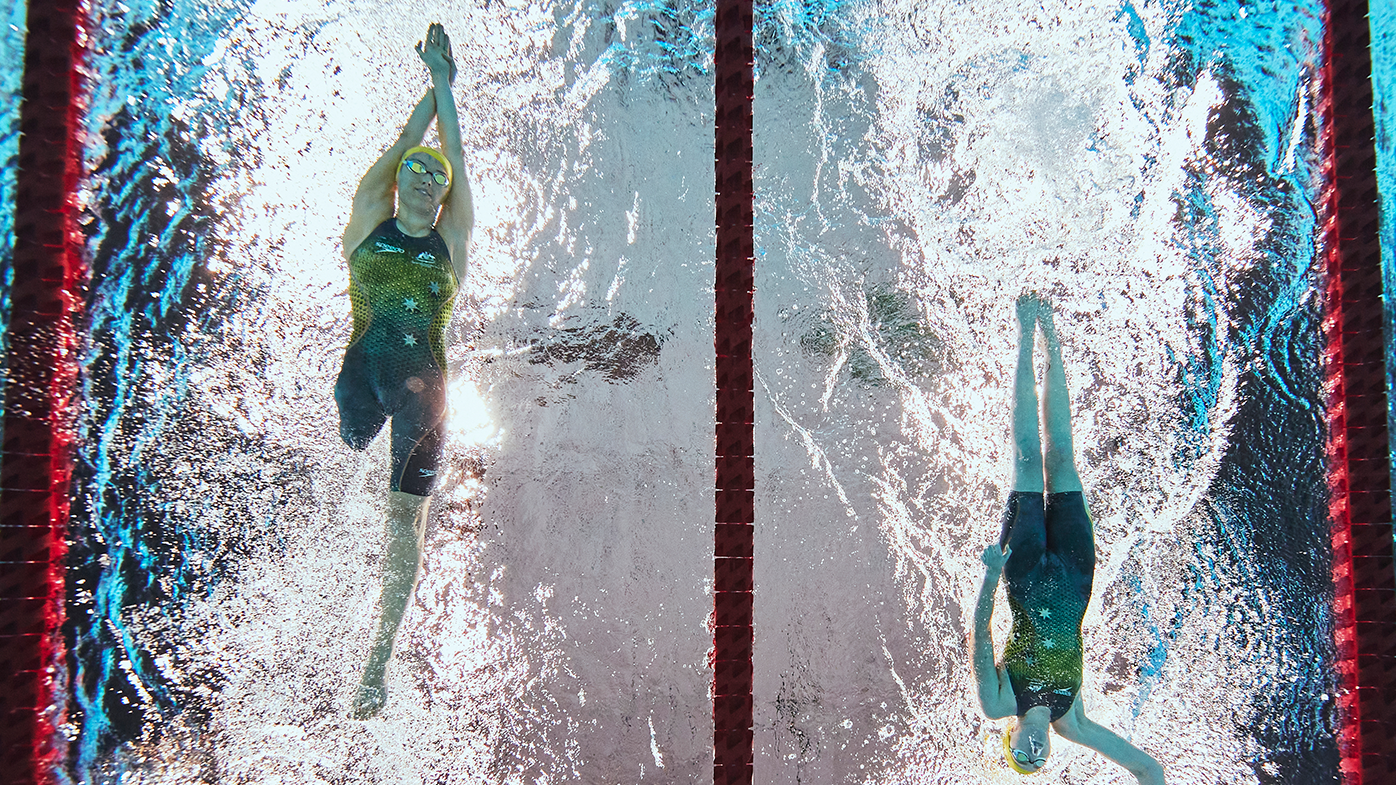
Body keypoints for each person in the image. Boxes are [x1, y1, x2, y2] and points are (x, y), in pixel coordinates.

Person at [335, 22, 472, 719]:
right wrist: (428, 88)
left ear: (444, 197)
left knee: (404, 521)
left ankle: (376, 659)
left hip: (426, 397)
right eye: (417, 169)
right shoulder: (368, 220)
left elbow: (454, 157)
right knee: (339, 471)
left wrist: (445, 86)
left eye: (437, 174)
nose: (425, 174)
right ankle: (331, 577)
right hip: (361, 376)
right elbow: (399, 154)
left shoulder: (450, 242)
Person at [972, 295, 1164, 783]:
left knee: (1028, 457)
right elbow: (1149, 772)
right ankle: (1051, 332)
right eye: (1040, 761)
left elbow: (980, 633)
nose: (1034, 754)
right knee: (1062, 457)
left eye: (1022, 757)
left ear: (1010, 741)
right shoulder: (1072, 721)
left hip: (1024, 569)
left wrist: (992, 576)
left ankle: (1023, 333)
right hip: (1078, 573)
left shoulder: (999, 703)